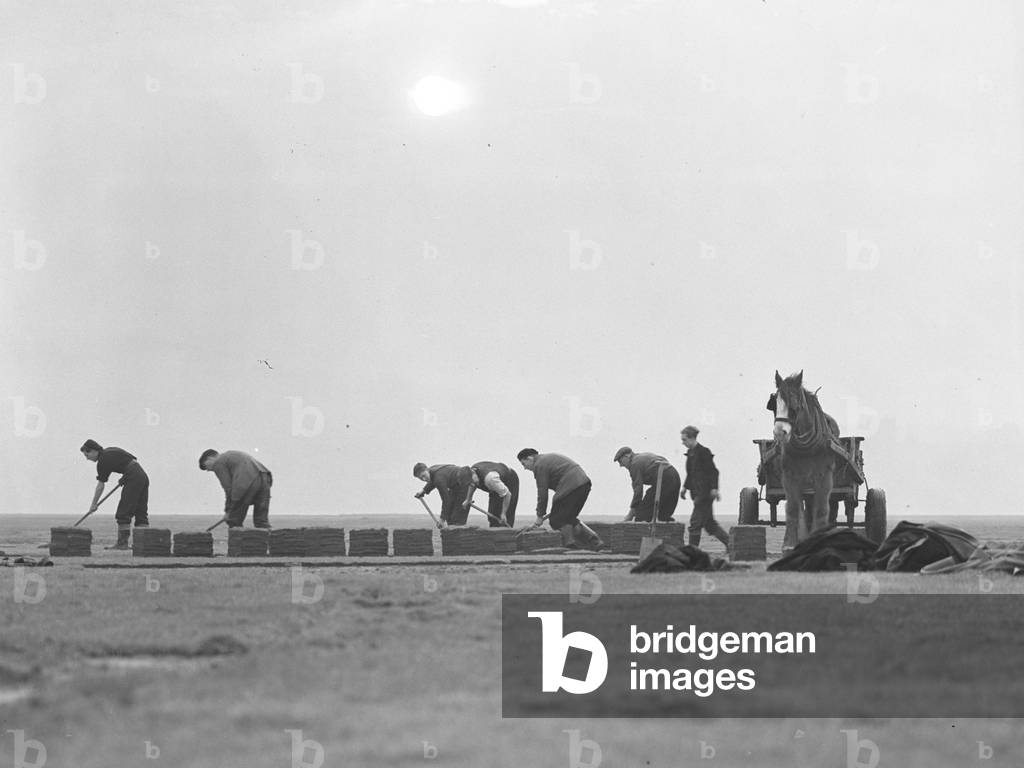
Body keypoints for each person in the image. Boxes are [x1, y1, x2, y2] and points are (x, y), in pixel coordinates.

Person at [516, 448, 604, 550]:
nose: (525, 468)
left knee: (556, 519)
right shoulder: (547, 459)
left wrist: (540, 515)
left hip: (571, 486)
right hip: (583, 484)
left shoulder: (539, 465)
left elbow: (542, 493)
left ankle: (570, 545)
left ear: (530, 458)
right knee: (568, 518)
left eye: (523, 464)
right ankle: (594, 541)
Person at [80, 439, 150, 550]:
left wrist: (94, 504)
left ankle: (122, 544)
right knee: (140, 512)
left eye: (87, 454)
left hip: (133, 476)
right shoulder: (110, 451)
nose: (87, 458)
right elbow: (132, 460)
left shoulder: (102, 461)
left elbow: (100, 485)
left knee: (123, 512)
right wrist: (125, 476)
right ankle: (144, 544)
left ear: (93, 451)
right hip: (142, 475)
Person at [680, 426, 729, 551]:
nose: (683, 442)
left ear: (692, 438)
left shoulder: (704, 452)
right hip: (696, 493)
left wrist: (714, 488)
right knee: (709, 524)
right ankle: (732, 545)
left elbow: (714, 472)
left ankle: (691, 552)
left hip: (705, 494)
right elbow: (690, 474)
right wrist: (685, 488)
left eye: (684, 440)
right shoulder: (690, 454)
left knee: (695, 523)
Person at [199, 449, 273, 529]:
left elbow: (228, 488)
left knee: (234, 520)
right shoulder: (231, 455)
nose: (208, 470)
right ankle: (270, 540)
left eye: (206, 466)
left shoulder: (219, 462)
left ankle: (239, 540)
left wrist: (228, 510)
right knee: (261, 521)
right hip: (265, 477)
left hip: (246, 481)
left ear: (210, 458)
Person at [613, 446, 681, 523]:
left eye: (620, 461)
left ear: (627, 456)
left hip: (664, 478)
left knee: (642, 516)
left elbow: (638, 492)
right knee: (663, 516)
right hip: (675, 476)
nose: (621, 465)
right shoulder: (642, 457)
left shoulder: (634, 464)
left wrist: (630, 516)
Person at [462, 461, 519, 527]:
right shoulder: (471, 472)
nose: (472, 484)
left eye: (472, 482)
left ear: (473, 473)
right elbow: (472, 485)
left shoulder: (490, 478)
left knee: (505, 516)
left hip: (509, 480)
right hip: (496, 484)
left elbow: (507, 495)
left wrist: (503, 513)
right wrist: (468, 499)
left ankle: (506, 533)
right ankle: (494, 533)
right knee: (493, 514)